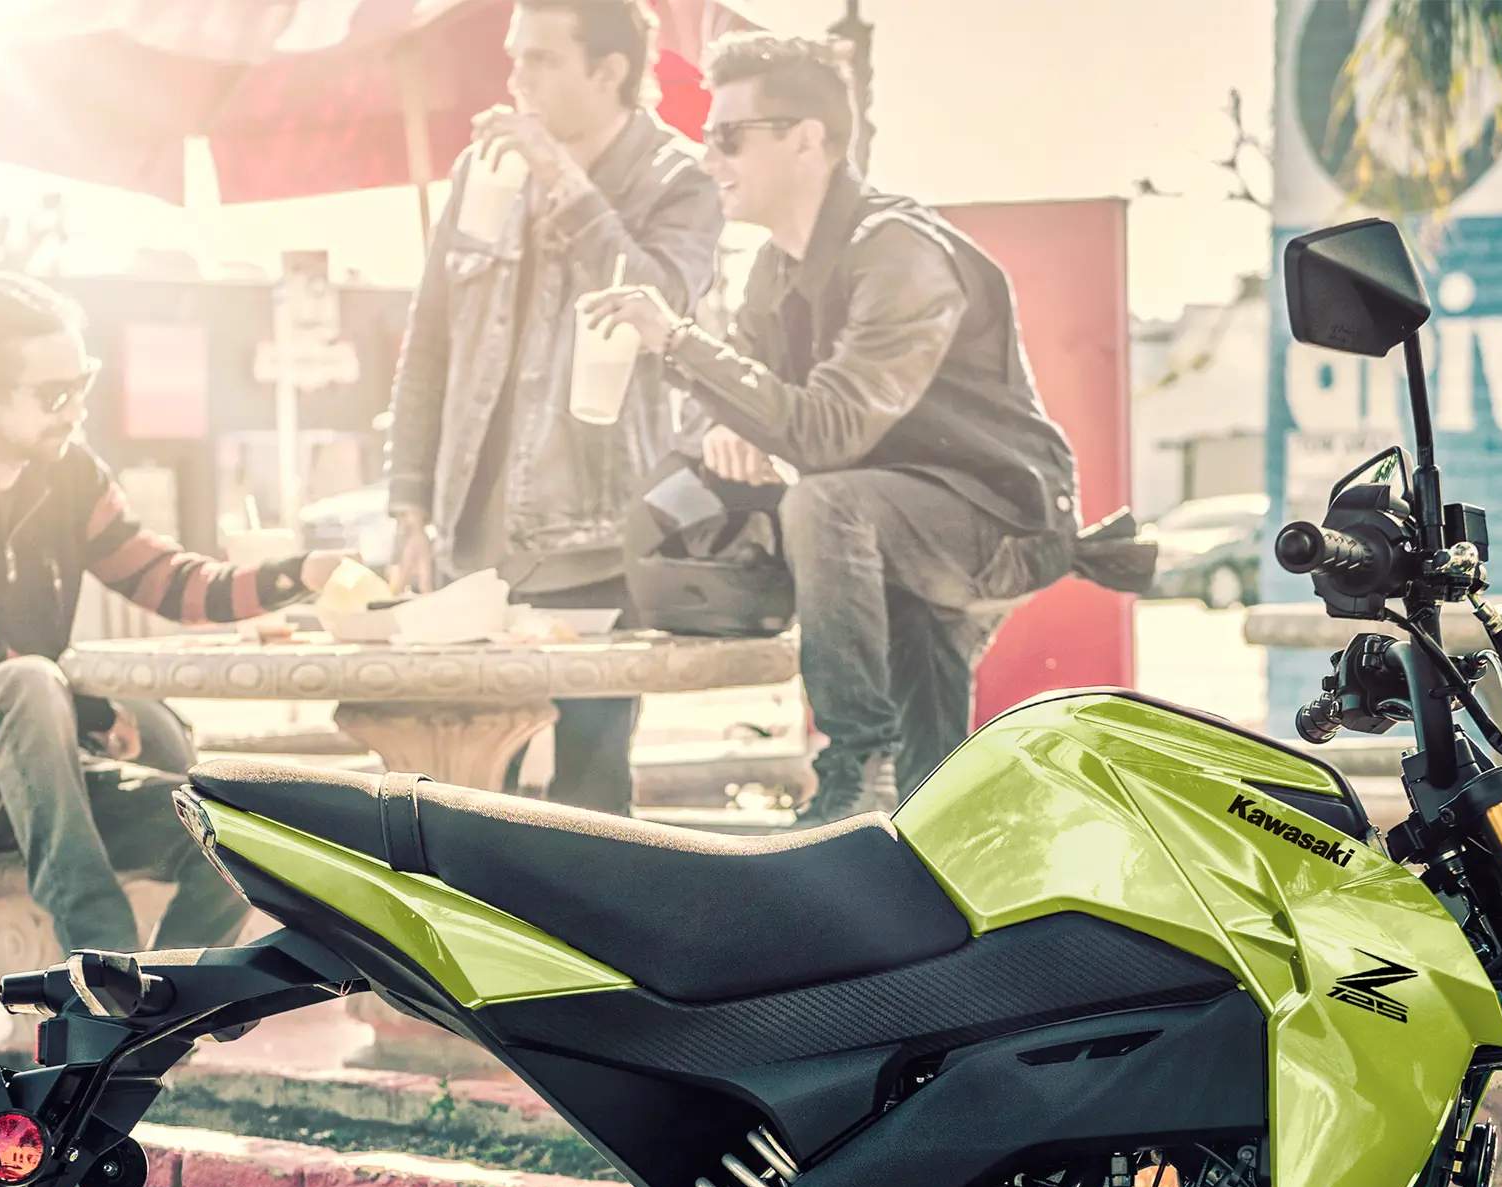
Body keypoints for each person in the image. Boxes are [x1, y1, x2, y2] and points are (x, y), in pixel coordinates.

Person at [583, 32, 1079, 822]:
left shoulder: (899, 253)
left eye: (728, 137)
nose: (709, 159)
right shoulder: (774, 270)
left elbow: (831, 429)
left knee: (823, 503)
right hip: (895, 522)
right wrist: (723, 420)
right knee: (937, 793)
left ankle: (853, 767)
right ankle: (926, 846)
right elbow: (738, 386)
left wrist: (676, 339)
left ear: (807, 141)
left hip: (1000, 517)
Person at [0, 259, 342, 954]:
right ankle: (101, 953)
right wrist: (95, 713)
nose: (76, 408)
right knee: (28, 685)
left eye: (83, 383)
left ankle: (167, 1006)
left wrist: (299, 574)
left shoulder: (68, 471)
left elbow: (167, 579)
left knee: (233, 831)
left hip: (32, 769)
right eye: (54, 393)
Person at [386, 0, 723, 813]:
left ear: (609, 72)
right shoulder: (480, 173)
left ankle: (587, 937)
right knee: (456, 779)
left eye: (539, 60)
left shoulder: (683, 180)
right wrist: (406, 499)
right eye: (514, 57)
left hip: (600, 538)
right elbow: (429, 338)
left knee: (591, 783)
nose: (515, 79)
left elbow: (655, 300)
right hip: (474, 535)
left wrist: (560, 177)